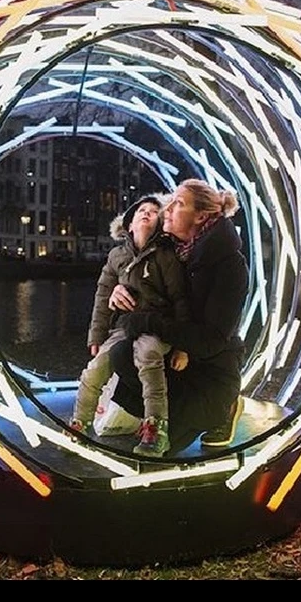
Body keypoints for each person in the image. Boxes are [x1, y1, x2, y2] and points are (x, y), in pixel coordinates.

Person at [107, 179, 248, 455]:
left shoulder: (229, 265)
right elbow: (133, 285)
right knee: (122, 353)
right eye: (170, 201)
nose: (167, 208)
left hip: (210, 374)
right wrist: (121, 293)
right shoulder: (170, 253)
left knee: (165, 452)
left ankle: (225, 408)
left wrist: (148, 321)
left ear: (201, 216)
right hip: (174, 361)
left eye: (178, 203)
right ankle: (169, 415)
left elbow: (211, 341)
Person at [70, 194, 190, 457]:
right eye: (140, 211)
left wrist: (182, 346)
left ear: (161, 224)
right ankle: (80, 422)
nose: (146, 213)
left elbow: (181, 300)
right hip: (125, 324)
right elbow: (103, 296)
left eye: (153, 211)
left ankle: (156, 428)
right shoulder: (117, 256)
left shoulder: (166, 256)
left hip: (157, 323)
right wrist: (96, 336)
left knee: (148, 357)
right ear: (129, 224)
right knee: (95, 368)